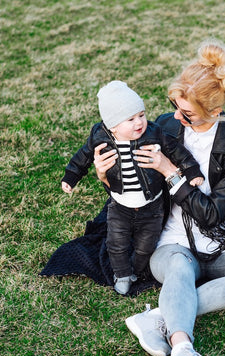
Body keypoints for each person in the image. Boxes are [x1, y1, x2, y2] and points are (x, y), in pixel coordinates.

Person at [94, 42, 225, 356]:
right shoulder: (163, 128)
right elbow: (131, 191)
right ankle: (183, 353)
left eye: (188, 114)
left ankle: (158, 316)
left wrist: (171, 173)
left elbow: (213, 215)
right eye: (175, 107)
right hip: (170, 242)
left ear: (215, 110)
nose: (177, 118)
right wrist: (105, 175)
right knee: (179, 270)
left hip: (222, 240)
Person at [61, 80, 204, 295]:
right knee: (116, 243)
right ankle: (122, 274)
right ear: (113, 126)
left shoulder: (154, 133)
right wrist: (71, 176)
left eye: (141, 115)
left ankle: (136, 270)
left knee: (147, 245)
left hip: (152, 205)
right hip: (120, 205)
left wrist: (191, 171)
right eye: (130, 119)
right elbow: (83, 156)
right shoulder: (100, 136)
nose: (139, 122)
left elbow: (177, 151)